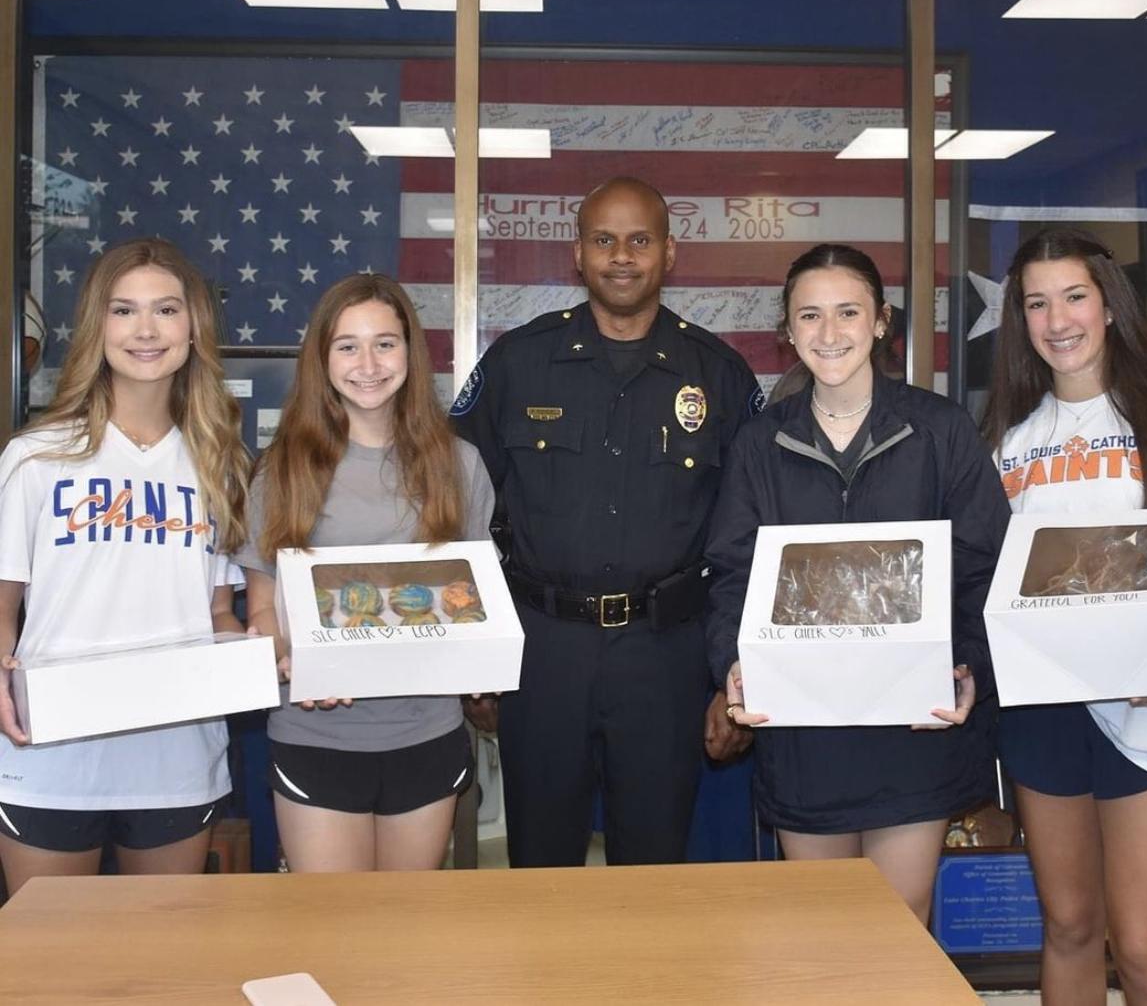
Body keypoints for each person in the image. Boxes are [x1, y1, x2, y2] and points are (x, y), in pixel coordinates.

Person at [452, 176, 762, 867]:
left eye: (639, 240)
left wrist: (733, 674)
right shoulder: (519, 363)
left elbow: (747, 542)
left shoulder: (719, 375)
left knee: (653, 864)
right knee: (541, 863)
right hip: (542, 651)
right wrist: (476, 654)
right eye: (604, 240)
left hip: (667, 653)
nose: (622, 256)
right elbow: (457, 510)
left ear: (669, 252)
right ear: (578, 253)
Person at [706, 243, 1009, 923]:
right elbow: (732, 574)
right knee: (819, 929)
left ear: (880, 321)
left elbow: (983, 567)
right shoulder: (760, 443)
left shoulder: (940, 429)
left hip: (913, 725)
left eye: (848, 312)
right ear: (788, 330)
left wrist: (969, 666)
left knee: (899, 925)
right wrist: (732, 663)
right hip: (803, 726)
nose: (830, 332)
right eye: (809, 315)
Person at [981, 227, 1147, 1005]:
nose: (1057, 319)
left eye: (1074, 296)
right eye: (1036, 303)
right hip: (1044, 710)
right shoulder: (1008, 437)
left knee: (1143, 946)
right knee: (1068, 927)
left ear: (1110, 305)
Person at [0, 238, 249, 896]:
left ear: (193, 327)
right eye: (123, 310)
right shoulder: (35, 457)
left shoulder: (220, 465)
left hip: (177, 755)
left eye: (165, 309)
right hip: (49, 752)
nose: (145, 330)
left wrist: (257, 652)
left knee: (164, 950)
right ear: (97, 326)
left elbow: (219, 612)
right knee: (49, 954)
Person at [240, 274, 494, 873]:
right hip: (316, 733)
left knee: (408, 922)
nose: (369, 365)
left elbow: (474, 600)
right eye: (348, 346)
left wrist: (481, 664)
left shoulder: (458, 464)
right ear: (322, 359)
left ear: (410, 351)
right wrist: (289, 659)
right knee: (332, 922)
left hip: (426, 731)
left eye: (385, 343)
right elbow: (262, 608)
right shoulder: (282, 470)